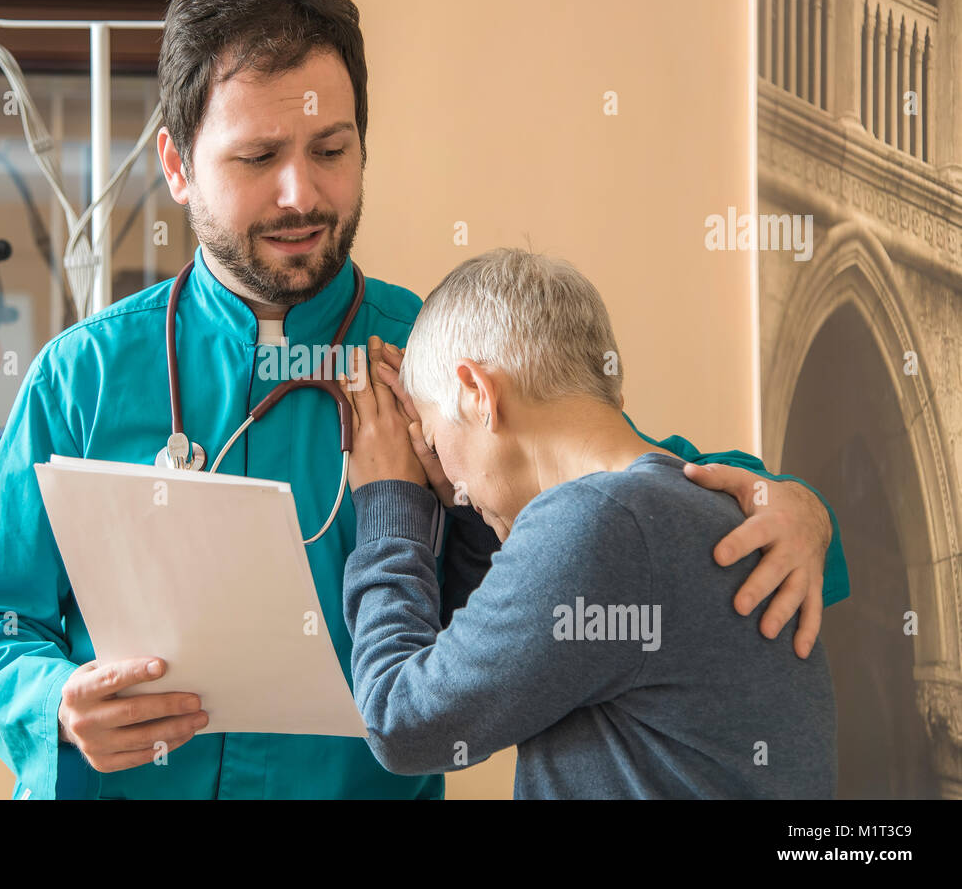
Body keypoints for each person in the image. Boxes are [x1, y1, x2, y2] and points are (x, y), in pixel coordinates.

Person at [0, 0, 848, 800]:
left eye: (331, 149)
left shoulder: (443, 358)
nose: (301, 194)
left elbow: (626, 475)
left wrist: (793, 503)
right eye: (258, 158)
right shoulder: (82, 376)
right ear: (175, 163)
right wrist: (52, 700)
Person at [338, 249, 837, 797]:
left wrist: (392, 504)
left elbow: (399, 723)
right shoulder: (704, 511)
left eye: (433, 440)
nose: (451, 482)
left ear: (478, 392)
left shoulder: (596, 524)